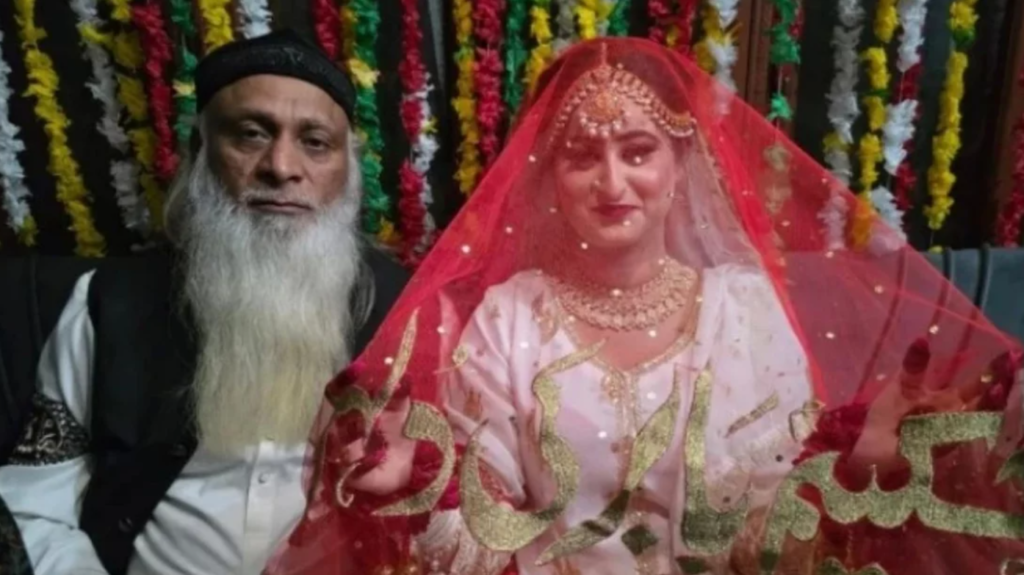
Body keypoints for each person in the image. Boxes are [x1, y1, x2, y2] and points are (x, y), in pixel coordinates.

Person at [269, 38, 1024, 574]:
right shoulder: (509, 319)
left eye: (637, 150)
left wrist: (856, 472)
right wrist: (419, 492)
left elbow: (772, 546)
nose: (612, 182)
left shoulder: (743, 310)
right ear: (549, 178)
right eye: (581, 155)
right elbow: (484, 551)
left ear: (681, 163)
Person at [0, 30, 408, 575]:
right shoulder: (107, 303)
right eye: (251, 134)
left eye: (315, 142)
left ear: (348, 170)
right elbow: (37, 494)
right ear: (200, 152)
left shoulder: (408, 309)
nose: (281, 166)